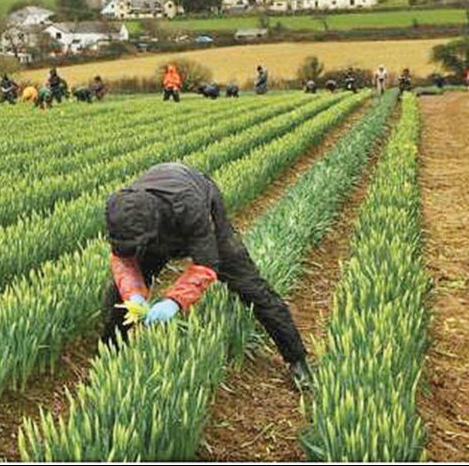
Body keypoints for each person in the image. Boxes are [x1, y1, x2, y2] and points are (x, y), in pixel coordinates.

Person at [102, 162, 312, 389]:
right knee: (119, 298)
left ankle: (297, 359)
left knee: (252, 288)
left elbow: (207, 264)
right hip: (154, 228)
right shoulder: (120, 210)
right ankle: (109, 354)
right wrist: (132, 293)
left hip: (202, 213)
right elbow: (123, 258)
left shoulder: (189, 207)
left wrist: (174, 300)